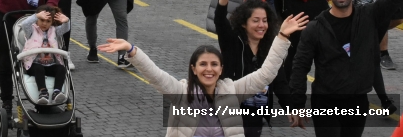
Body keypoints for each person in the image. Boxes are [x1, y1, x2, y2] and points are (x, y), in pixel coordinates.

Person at [97, 13, 306, 136]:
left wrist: (282, 36)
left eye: (214, 64)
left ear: (221, 69)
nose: (209, 69)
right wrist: (132, 50)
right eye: (203, 64)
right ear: (193, 69)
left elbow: (265, 75)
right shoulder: (180, 92)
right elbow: (155, 75)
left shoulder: (232, 90)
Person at [289, 0, 403, 136]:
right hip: (326, 103)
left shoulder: (369, 16)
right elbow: (300, 66)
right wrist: (296, 105)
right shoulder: (315, 28)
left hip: (358, 100)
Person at [216, 0, 297, 137]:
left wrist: (291, 108)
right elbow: (219, 20)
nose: (262, 25)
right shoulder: (232, 43)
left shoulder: (270, 48)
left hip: (256, 116)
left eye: (265, 20)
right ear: (243, 23)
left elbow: (280, 80)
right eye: (256, 20)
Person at [20, 6, 71, 104]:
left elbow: (65, 29)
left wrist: (66, 21)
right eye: (42, 20)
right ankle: (43, 92)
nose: (44, 23)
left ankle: (57, 91)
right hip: (33, 64)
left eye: (48, 21)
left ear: (52, 22)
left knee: (61, 69)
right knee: (39, 69)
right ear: (37, 20)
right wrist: (36, 15)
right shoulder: (31, 30)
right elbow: (24, 24)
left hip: (50, 64)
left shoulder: (54, 31)